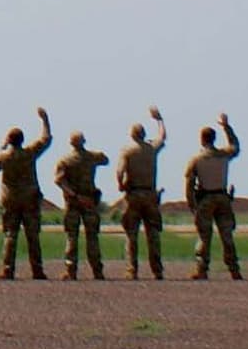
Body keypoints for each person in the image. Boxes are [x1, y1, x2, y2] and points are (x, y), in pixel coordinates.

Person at [0, 116, 50, 279]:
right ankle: (37, 270)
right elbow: (46, 139)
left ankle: (8, 269)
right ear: (22, 140)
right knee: (33, 236)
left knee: (10, 235)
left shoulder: (3, 157)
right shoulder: (29, 153)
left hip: (11, 199)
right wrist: (45, 120)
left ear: (9, 140)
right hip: (30, 198)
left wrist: (3, 147)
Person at [184, 116, 242, 281]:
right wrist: (227, 127)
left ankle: (201, 269)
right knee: (227, 235)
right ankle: (234, 269)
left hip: (206, 198)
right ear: (214, 138)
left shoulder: (196, 159)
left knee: (204, 236)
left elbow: (189, 183)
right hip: (223, 197)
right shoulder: (223, 155)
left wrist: (192, 204)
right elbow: (235, 146)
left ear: (201, 140)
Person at [115, 111, 168, 282]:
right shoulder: (152, 149)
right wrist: (159, 120)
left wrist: (120, 184)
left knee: (132, 235)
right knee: (153, 235)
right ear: (144, 135)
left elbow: (120, 171)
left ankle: (132, 270)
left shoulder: (127, 151)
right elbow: (162, 136)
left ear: (132, 135)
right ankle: (157, 270)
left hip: (133, 195)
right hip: (150, 195)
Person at [54, 129, 107, 281]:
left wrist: (73, 194)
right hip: (89, 201)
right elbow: (105, 159)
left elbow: (59, 181)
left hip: (73, 202)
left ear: (71, 143)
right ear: (83, 141)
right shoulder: (92, 157)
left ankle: (71, 271)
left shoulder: (65, 161)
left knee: (72, 236)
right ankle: (97, 270)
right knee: (92, 237)